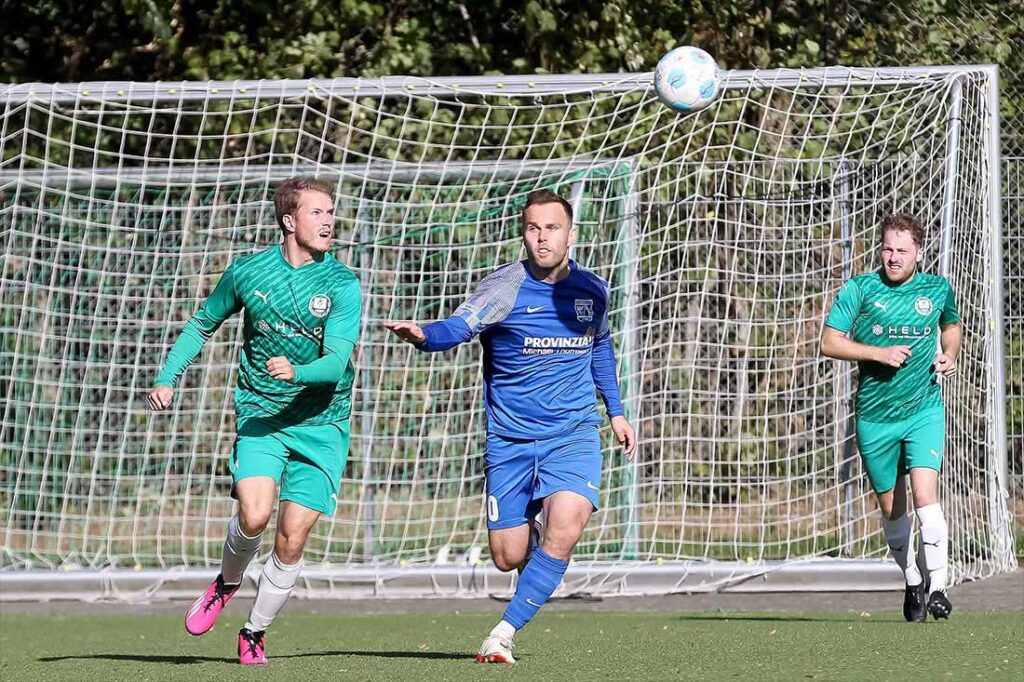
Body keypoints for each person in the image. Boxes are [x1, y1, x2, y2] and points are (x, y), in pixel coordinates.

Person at [383, 188, 636, 662]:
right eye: (533, 228)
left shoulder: (593, 289)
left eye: (552, 228)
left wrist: (616, 411)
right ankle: (535, 545)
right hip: (510, 439)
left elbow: (599, 346)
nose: (542, 238)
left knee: (569, 523)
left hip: (573, 433)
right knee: (507, 556)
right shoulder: (504, 287)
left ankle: (503, 632)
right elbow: (458, 328)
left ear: (570, 234)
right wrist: (424, 335)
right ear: (524, 233)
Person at [148, 177, 362, 664]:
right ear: (289, 221)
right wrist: (167, 377)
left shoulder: (342, 283)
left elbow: (336, 362)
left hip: (322, 422)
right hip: (262, 416)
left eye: (331, 212)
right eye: (317, 213)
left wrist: (299, 370)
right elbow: (203, 322)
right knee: (255, 515)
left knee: (291, 537)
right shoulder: (248, 272)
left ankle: (253, 632)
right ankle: (226, 581)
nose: (329, 220)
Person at [820, 212, 960, 622]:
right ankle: (913, 577)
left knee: (925, 499)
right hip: (876, 418)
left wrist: (948, 355)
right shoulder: (860, 289)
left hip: (923, 409)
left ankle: (939, 588)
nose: (893, 257)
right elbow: (829, 342)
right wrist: (878, 353)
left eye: (902, 250)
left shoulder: (936, 289)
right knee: (893, 514)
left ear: (918, 252)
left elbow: (951, 326)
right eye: (887, 249)